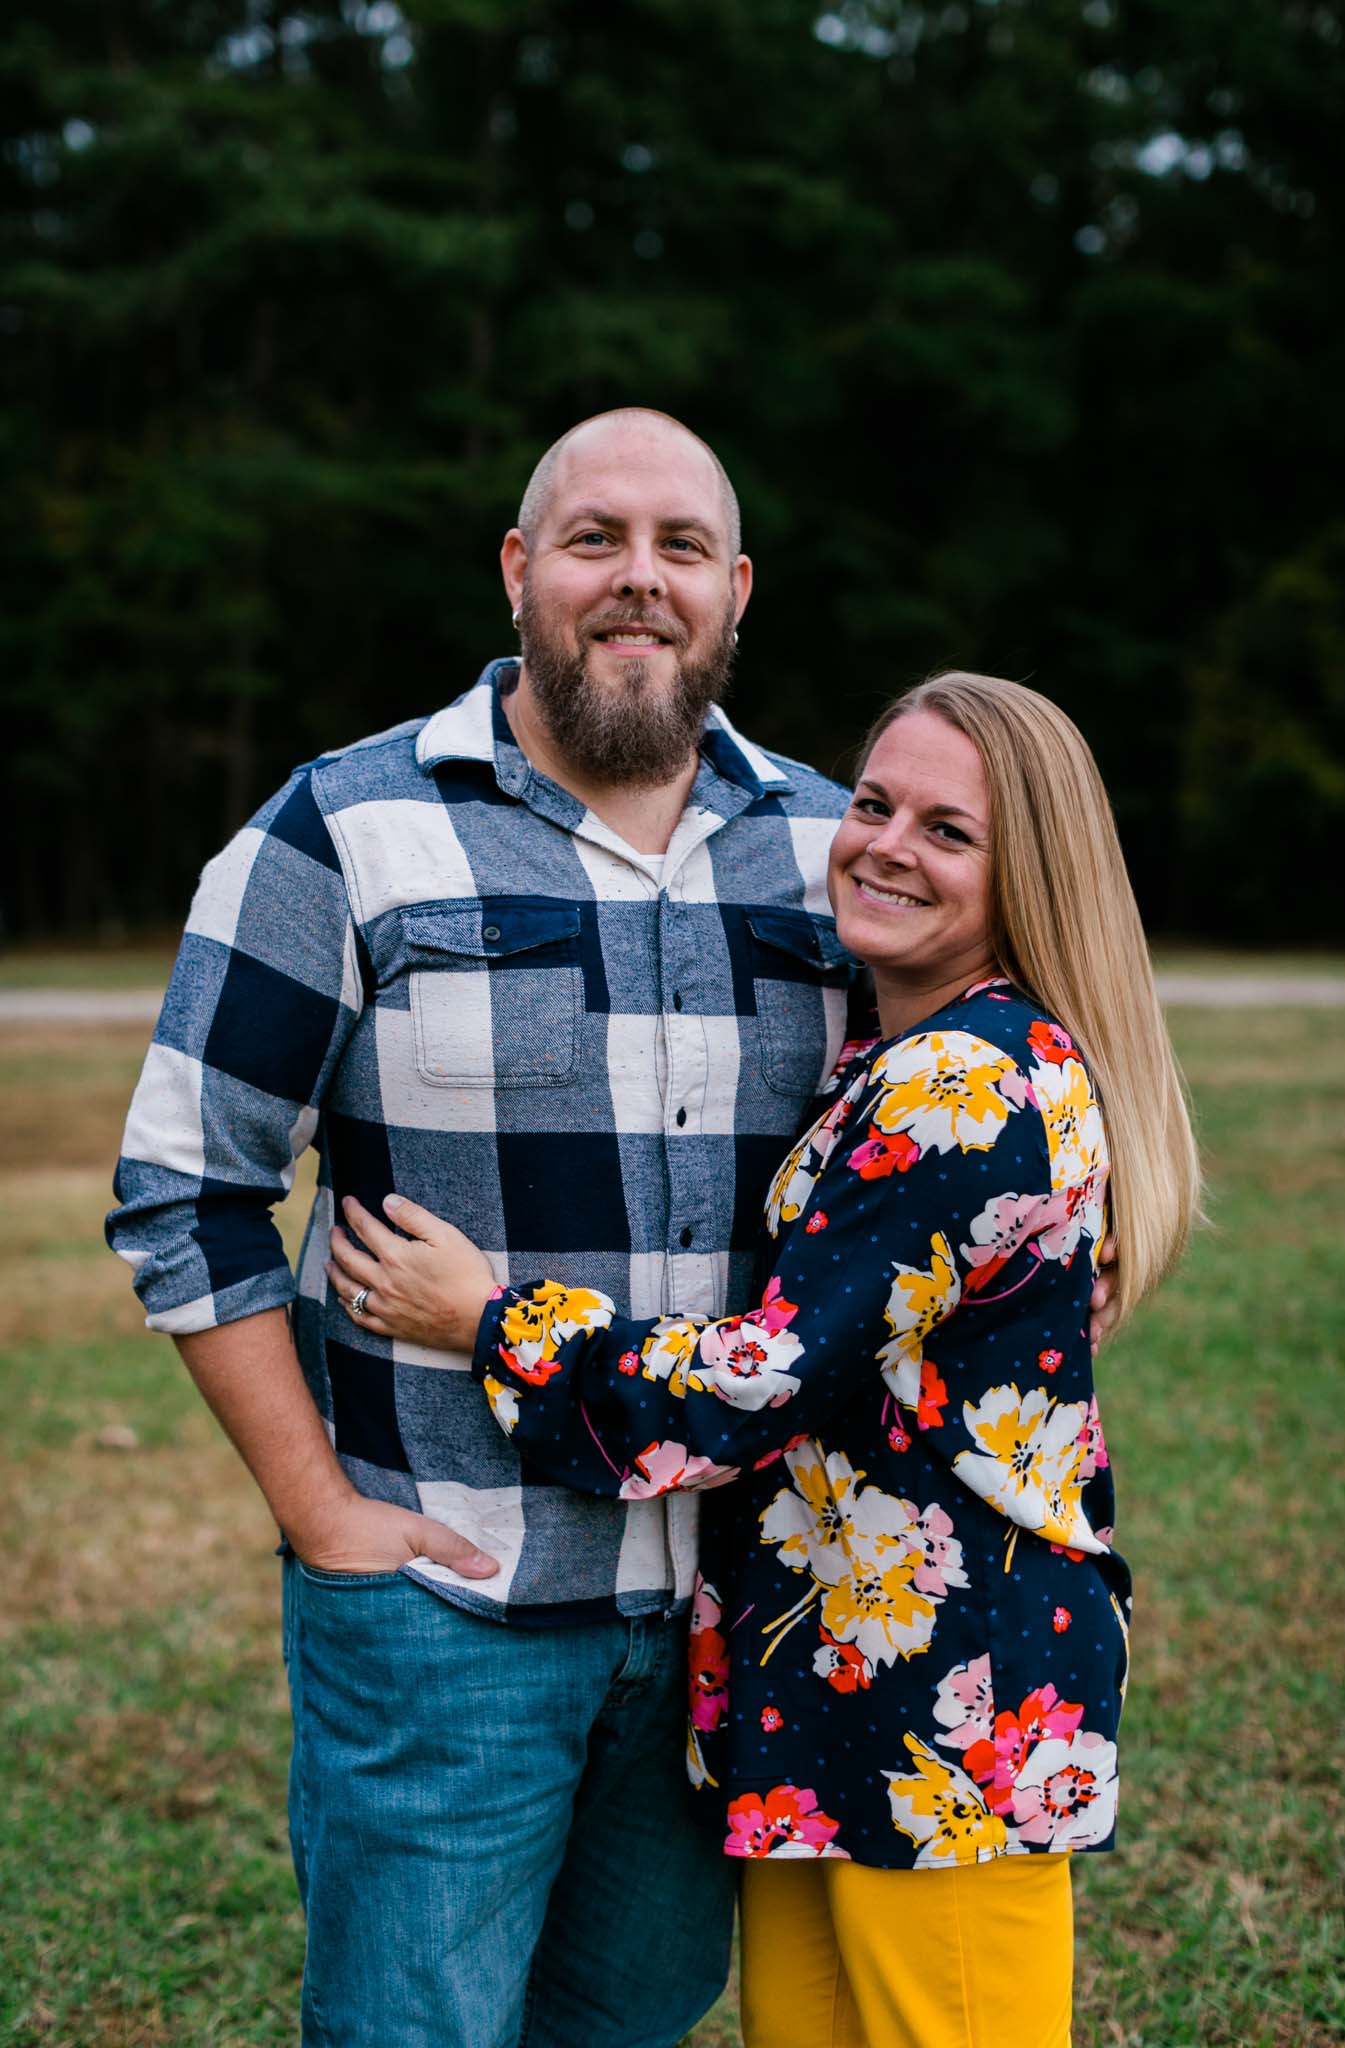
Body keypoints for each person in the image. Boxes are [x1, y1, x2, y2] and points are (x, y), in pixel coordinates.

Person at [107, 406, 883, 2048]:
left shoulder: (837, 855)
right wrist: (320, 1515)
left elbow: (983, 1113)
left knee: (632, 2019)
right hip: (443, 1604)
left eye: (680, 548)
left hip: (730, 1614)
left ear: (736, 592)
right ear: (521, 569)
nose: (637, 580)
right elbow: (187, 1184)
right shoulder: (343, 829)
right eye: (594, 539)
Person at [325, 671, 1197, 2048]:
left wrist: (487, 1318)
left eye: (947, 830)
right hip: (828, 1682)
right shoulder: (893, 1051)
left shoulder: (964, 1084)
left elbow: (755, 1388)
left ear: (1027, 870)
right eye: (870, 802)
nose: (884, 843)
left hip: (951, 1704)